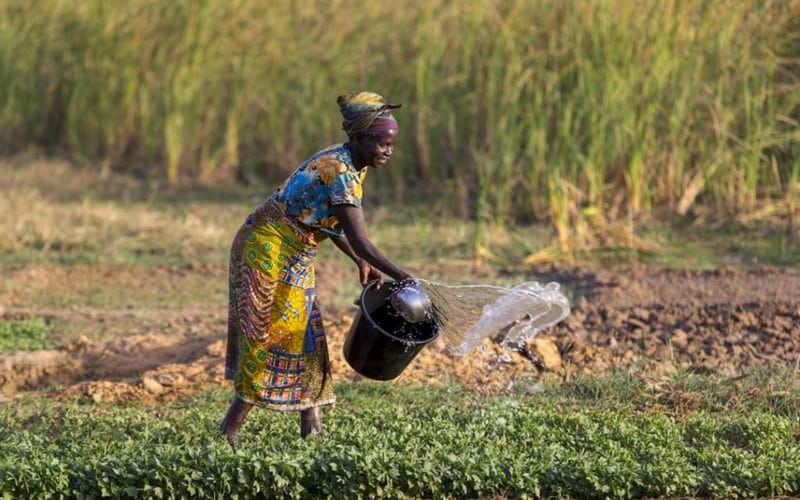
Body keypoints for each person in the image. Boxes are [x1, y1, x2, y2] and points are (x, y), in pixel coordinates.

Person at [220, 91, 413, 444]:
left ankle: (312, 428)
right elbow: (362, 239)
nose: (388, 151)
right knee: (268, 332)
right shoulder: (339, 171)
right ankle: (229, 430)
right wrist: (404, 276)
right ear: (358, 138)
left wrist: (359, 261)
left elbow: (327, 223)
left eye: (392, 145)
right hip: (266, 248)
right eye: (382, 144)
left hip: (295, 250)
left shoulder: (350, 163)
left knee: (306, 331)